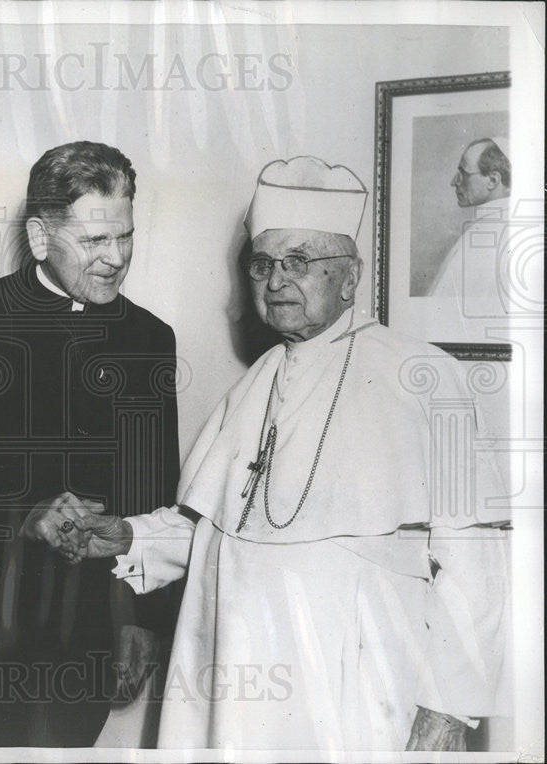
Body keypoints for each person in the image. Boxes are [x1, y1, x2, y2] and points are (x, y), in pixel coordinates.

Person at [65, 155, 511, 751]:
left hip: (350, 685)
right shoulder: (253, 383)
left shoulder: (432, 379)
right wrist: (129, 536)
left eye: (300, 262)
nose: (275, 282)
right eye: (264, 263)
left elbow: (479, 569)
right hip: (226, 676)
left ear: (349, 278)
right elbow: (225, 532)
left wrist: (448, 709)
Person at [0, 141, 181, 746]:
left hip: (81, 640)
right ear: (41, 236)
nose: (116, 259)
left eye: (124, 237)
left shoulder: (149, 339)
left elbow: (155, 495)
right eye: (95, 241)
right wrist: (20, 518)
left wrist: (142, 622)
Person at [430, 137, 512, 319]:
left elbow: (436, 316)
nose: (454, 181)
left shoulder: (483, 236)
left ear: (492, 180)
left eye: (464, 172)